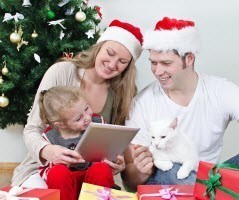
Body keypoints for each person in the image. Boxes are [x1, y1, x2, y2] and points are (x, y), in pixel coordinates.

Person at [122, 17, 239, 200]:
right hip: (174, 184)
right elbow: (129, 182)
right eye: (153, 63)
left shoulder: (220, 90)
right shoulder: (142, 103)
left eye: (166, 63)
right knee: (168, 166)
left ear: (189, 58)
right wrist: (141, 170)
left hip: (212, 181)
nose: (158, 71)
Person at [12, 19, 143, 188]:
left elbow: (117, 143)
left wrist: (119, 162)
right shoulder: (62, 72)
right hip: (45, 169)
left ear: (128, 66)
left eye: (122, 61)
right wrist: (47, 151)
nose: (112, 64)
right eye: (109, 53)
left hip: (91, 172)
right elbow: (32, 129)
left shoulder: (124, 92)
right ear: (99, 47)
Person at [38, 86, 114, 200]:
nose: (88, 118)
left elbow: (109, 148)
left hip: (93, 182)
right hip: (67, 186)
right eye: (79, 118)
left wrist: (112, 157)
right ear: (61, 124)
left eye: (87, 108)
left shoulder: (98, 122)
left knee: (101, 169)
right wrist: (59, 164)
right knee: (57, 173)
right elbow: (44, 171)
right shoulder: (50, 137)